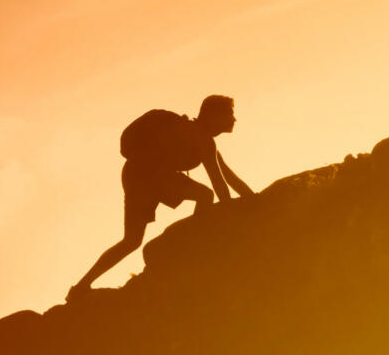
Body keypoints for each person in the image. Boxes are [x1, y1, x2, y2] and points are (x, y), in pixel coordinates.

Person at [67, 95, 254, 301]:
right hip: (149, 175)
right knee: (204, 195)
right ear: (212, 115)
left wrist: (255, 200)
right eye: (230, 114)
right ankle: (197, 245)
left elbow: (230, 178)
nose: (234, 119)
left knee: (131, 240)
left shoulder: (203, 139)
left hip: (135, 173)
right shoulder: (202, 139)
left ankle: (80, 287)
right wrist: (239, 212)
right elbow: (219, 184)